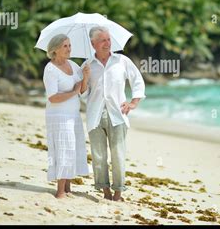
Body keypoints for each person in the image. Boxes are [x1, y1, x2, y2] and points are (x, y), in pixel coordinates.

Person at [80, 26, 146, 201]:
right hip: (95, 116)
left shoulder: (121, 61)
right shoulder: (86, 65)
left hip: (118, 116)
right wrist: (85, 78)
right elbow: (83, 94)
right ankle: (105, 191)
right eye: (102, 40)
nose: (107, 43)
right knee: (98, 156)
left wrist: (133, 102)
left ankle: (118, 193)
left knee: (118, 156)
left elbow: (137, 81)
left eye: (108, 39)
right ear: (93, 43)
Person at [43, 34, 90, 199]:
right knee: (63, 150)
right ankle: (60, 191)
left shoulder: (73, 64)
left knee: (73, 149)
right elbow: (53, 97)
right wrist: (74, 91)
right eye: (65, 46)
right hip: (58, 116)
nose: (69, 49)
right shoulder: (50, 69)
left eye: (70, 45)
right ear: (55, 50)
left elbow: (82, 90)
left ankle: (68, 187)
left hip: (73, 115)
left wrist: (85, 77)